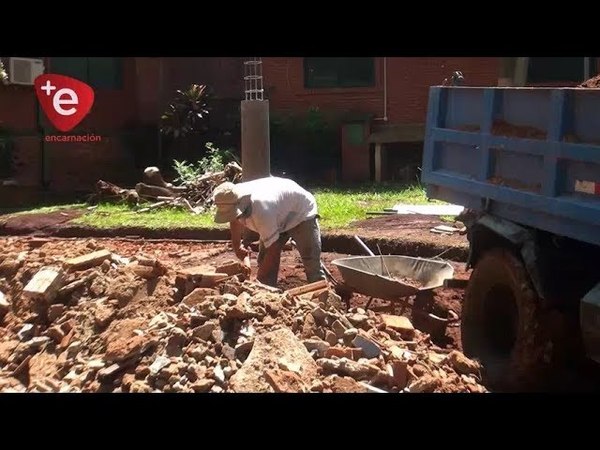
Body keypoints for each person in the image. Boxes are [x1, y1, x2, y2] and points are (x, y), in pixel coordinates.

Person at [212, 176, 326, 287]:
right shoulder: (230, 196)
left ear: (240, 204)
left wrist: (259, 283)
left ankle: (323, 295)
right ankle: (269, 295)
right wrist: (236, 246)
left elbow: (273, 249)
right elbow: (234, 218)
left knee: (311, 259)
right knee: (263, 261)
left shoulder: (262, 210)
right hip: (278, 210)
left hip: (301, 212)